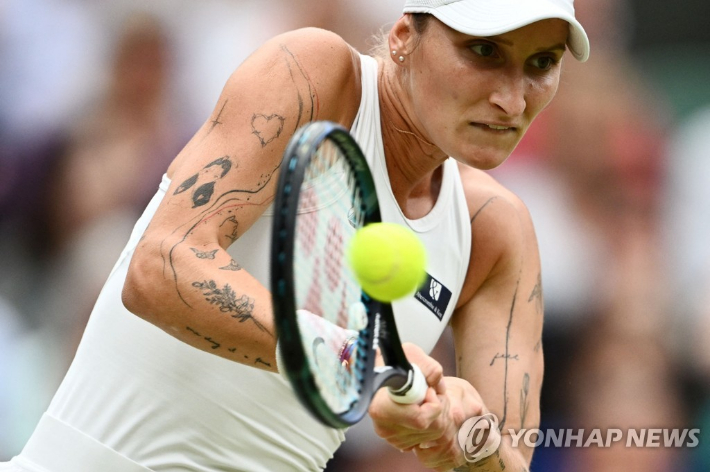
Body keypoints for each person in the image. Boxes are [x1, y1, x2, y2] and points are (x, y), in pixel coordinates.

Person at [0, 0, 589, 470]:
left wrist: (464, 440)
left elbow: (505, 460)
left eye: (542, 63)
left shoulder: (497, 231)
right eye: (484, 51)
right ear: (406, 38)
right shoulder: (317, 75)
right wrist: (353, 360)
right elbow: (161, 264)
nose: (512, 99)